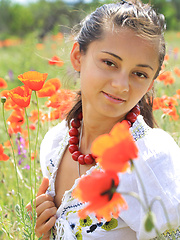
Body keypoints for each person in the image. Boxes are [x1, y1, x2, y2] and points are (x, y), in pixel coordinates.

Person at [26, 0, 180, 239]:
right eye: (109, 63)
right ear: (78, 57)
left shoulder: (151, 159)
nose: (121, 85)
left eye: (139, 74)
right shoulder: (54, 143)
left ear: (150, 84)